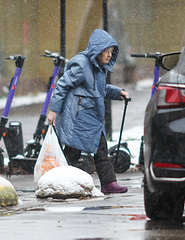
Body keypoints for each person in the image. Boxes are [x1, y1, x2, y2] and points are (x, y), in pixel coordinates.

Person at [47, 29, 130, 194]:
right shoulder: (82, 65)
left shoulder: (100, 68)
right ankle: (59, 183)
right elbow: (62, 85)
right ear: (97, 50)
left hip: (91, 117)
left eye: (111, 52)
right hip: (78, 118)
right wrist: (54, 110)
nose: (108, 55)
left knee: (100, 150)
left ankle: (108, 184)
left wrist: (117, 92)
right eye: (106, 51)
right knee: (72, 151)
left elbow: (98, 90)